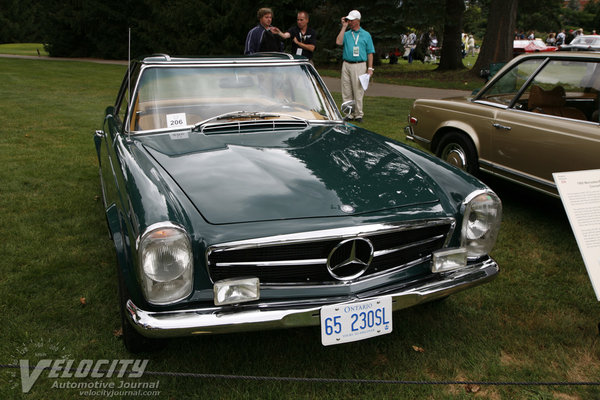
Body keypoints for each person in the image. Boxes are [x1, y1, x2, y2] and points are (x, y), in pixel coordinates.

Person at [335, 10, 375, 122]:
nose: (350, 22)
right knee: (346, 89)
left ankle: (358, 114)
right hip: (346, 64)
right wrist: (343, 27)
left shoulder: (366, 35)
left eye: (351, 20)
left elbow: (370, 52)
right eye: (349, 20)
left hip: (359, 65)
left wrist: (370, 68)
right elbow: (338, 42)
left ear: (358, 21)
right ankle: (349, 114)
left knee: (358, 90)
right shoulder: (347, 34)